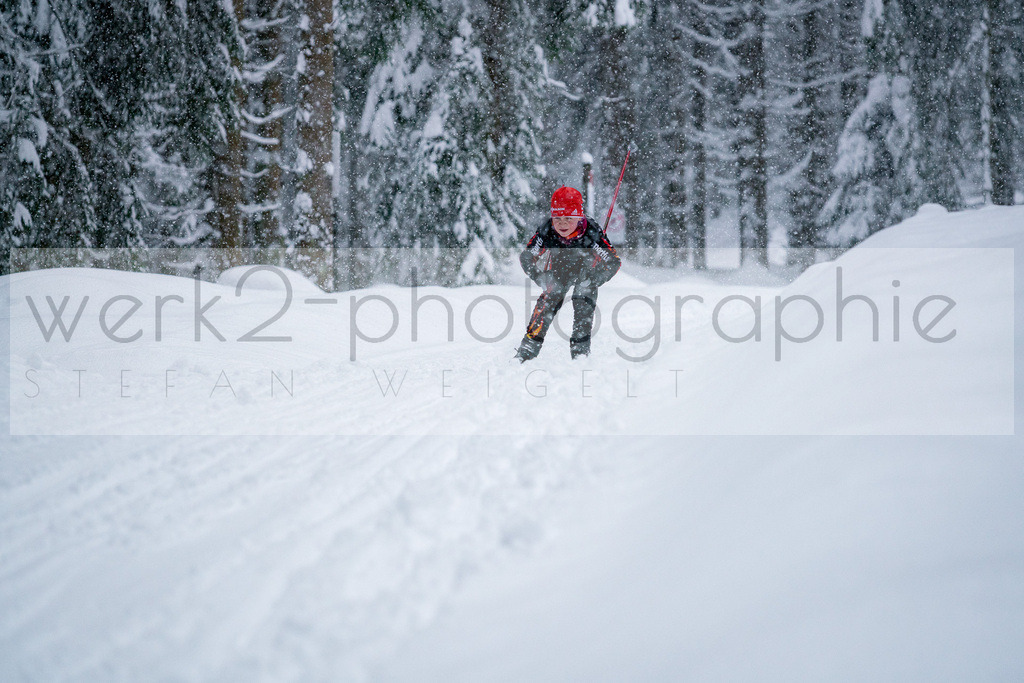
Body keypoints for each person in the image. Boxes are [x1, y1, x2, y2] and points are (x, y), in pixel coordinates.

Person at [514, 186, 621, 362]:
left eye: (568, 218)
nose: (562, 223)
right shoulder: (548, 230)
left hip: (586, 274)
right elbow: (527, 256)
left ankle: (580, 353)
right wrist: (539, 277)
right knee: (549, 297)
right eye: (557, 218)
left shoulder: (591, 232)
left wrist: (594, 279)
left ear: (579, 217)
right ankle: (527, 350)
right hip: (558, 272)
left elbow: (613, 261)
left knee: (583, 298)